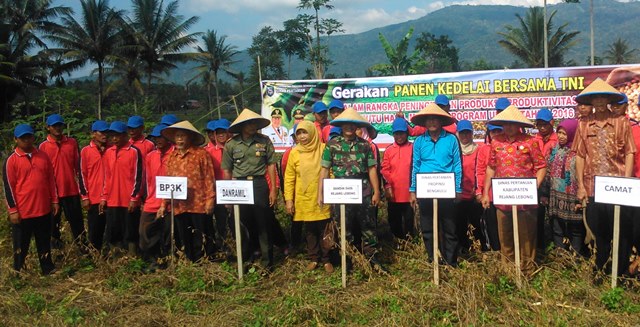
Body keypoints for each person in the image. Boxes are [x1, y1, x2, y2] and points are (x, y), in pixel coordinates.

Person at [573, 78, 636, 278]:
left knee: (621, 233)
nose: (599, 103)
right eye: (595, 99)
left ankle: (620, 273)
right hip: (593, 188)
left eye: (603, 98)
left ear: (609, 100)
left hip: (617, 189)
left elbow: (629, 153)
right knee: (600, 233)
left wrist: (626, 181)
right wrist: (581, 186)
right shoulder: (583, 125)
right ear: (590, 102)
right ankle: (601, 271)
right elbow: (580, 156)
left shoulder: (621, 123)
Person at [481, 105, 547, 277]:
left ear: (519, 124)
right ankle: (509, 271)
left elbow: (541, 166)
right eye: (505, 124)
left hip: (526, 199)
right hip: (503, 199)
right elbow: (491, 168)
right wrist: (485, 192)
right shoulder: (496, 142)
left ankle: (527, 271)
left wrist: (535, 186)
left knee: (526, 236)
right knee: (505, 235)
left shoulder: (530, 141)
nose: (509, 127)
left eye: (512, 124)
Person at [317, 108, 383, 271]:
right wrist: (321, 193)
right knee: (344, 228)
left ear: (356, 127)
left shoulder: (365, 145)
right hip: (341, 191)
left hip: (363, 191)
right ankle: (348, 260)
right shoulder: (332, 145)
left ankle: (372, 260)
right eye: (346, 125)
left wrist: (377, 191)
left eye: (352, 125)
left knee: (368, 227)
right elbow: (324, 170)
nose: (349, 128)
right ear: (341, 126)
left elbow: (372, 170)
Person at [222, 109, 279, 271]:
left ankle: (267, 262)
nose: (253, 126)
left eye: (255, 123)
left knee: (264, 223)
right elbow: (227, 170)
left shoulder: (264, 141)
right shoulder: (231, 144)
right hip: (239, 186)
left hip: (259, 185)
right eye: (249, 123)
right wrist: (227, 194)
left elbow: (271, 165)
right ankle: (247, 258)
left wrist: (273, 190)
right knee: (244, 224)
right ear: (242, 126)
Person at [409, 103, 462, 267]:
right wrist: (413, 190)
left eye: (435, 119)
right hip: (425, 190)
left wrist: (458, 188)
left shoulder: (451, 139)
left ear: (440, 121)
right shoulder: (419, 141)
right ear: (424, 123)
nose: (431, 122)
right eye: (428, 119)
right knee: (428, 228)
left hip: (446, 189)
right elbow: (415, 166)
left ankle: (450, 262)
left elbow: (457, 165)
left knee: (449, 227)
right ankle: (433, 260)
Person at [158, 121, 216, 263]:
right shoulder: (172, 157)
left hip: (199, 203)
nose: (179, 139)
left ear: (190, 137)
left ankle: (204, 262)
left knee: (201, 235)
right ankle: (190, 262)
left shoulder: (201, 154)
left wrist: (210, 200)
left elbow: (209, 177)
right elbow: (168, 181)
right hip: (179, 205)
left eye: (182, 135)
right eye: (177, 136)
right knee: (184, 235)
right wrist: (163, 204)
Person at [4, 124, 59, 275]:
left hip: (43, 208)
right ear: (16, 139)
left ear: (33, 137)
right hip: (23, 211)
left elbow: (51, 180)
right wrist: (13, 210)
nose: (27, 140)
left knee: (43, 241)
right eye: (23, 138)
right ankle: (18, 270)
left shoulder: (42, 156)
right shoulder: (12, 160)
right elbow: (8, 187)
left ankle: (47, 268)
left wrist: (54, 200)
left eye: (29, 137)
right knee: (21, 244)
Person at [284, 121, 334, 273]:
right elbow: (289, 178)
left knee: (325, 229)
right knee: (310, 230)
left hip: (322, 196)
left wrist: (331, 193)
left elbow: (330, 172)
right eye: (299, 133)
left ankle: (327, 259)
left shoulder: (323, 148)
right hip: (303, 198)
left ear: (312, 133)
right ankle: (314, 258)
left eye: (305, 132)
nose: (302, 136)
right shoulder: (294, 153)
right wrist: (289, 200)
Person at [39, 114, 85, 249]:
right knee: (54, 225)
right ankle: (57, 252)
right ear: (48, 128)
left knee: (77, 223)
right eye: (54, 126)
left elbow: (78, 167)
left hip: (71, 190)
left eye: (60, 125)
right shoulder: (43, 146)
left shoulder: (72, 143)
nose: (58, 128)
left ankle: (84, 250)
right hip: (53, 194)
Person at [543, 119, 585, 255]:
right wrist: (544, 193)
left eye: (565, 134)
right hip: (555, 196)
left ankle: (575, 257)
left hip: (573, 197)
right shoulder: (554, 150)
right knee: (557, 227)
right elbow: (548, 172)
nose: (561, 136)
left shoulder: (580, 152)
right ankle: (560, 256)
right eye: (559, 132)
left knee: (576, 230)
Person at [102, 121, 144, 255]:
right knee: (114, 229)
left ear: (125, 135)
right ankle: (116, 256)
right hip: (113, 199)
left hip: (128, 199)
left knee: (130, 230)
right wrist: (104, 197)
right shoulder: (109, 152)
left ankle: (132, 256)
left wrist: (134, 198)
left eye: (118, 135)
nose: (114, 139)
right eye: (112, 136)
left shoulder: (134, 152)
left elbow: (139, 177)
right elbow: (106, 177)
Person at [139, 125, 174, 268]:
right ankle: (150, 261)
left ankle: (166, 261)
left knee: (167, 234)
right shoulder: (150, 156)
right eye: (156, 137)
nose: (158, 140)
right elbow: (147, 180)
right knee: (145, 232)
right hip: (152, 201)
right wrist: (144, 198)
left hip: (171, 203)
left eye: (161, 137)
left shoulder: (175, 155)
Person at [381, 118, 414, 242]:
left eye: (402, 133)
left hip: (409, 194)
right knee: (394, 220)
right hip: (393, 194)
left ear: (407, 133)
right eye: (397, 133)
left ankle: (410, 244)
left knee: (409, 221)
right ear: (393, 134)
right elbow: (384, 170)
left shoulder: (413, 148)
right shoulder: (389, 150)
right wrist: (388, 187)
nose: (399, 136)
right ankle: (397, 242)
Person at [455, 119, 485, 253]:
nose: (465, 136)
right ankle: (464, 250)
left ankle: (479, 248)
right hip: (458, 195)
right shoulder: (454, 151)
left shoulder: (478, 150)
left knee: (476, 224)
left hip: (473, 195)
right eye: (462, 133)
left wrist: (478, 191)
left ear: (472, 134)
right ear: (457, 134)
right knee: (460, 224)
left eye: (467, 133)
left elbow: (480, 171)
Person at [79, 120, 109, 252]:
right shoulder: (86, 151)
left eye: (106, 132)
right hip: (94, 197)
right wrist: (84, 196)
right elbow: (82, 175)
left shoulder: (112, 149)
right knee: (95, 230)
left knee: (111, 229)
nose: (105, 135)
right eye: (101, 132)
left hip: (111, 197)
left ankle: (110, 254)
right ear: (93, 134)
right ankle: (95, 256)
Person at [204, 118, 232, 254]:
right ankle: (222, 245)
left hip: (235, 190)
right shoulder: (208, 152)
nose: (220, 135)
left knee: (235, 220)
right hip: (217, 191)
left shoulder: (235, 147)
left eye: (223, 132)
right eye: (218, 132)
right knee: (221, 221)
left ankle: (238, 245)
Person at [475, 123, 503, 251]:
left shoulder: (509, 147)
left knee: (506, 226)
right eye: (493, 132)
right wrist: (480, 191)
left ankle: (509, 253)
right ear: (489, 133)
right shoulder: (484, 149)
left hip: (507, 194)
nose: (496, 134)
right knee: (492, 225)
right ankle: (497, 252)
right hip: (490, 195)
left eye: (499, 131)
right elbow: (480, 171)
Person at [534, 108, 558, 252]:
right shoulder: (534, 140)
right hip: (537, 183)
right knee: (538, 216)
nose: (542, 128)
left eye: (545, 125)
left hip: (554, 184)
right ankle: (540, 246)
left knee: (554, 218)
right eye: (539, 125)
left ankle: (556, 246)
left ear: (552, 123)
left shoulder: (557, 140)